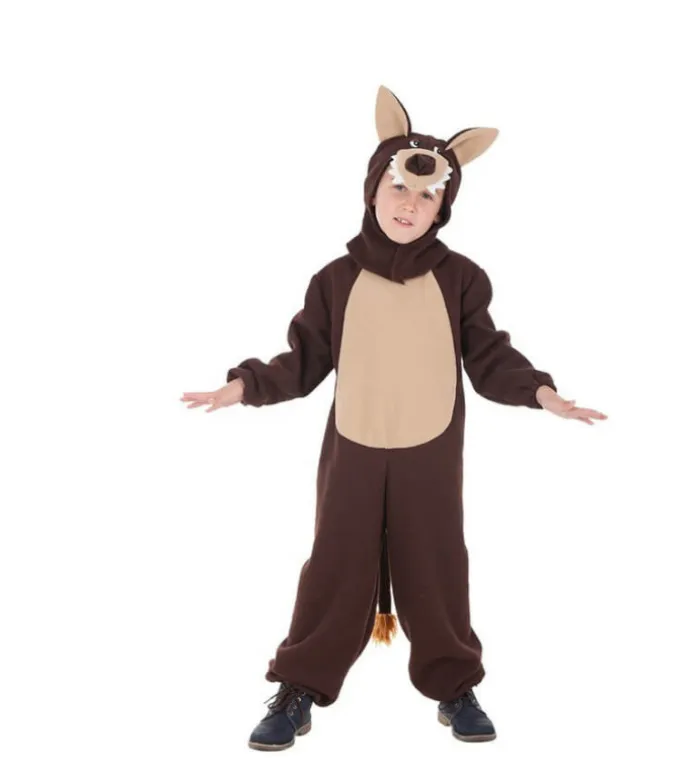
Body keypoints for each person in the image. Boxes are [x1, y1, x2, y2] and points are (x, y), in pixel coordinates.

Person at [181, 85, 608, 751]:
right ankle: (299, 687)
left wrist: (540, 392)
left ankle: (454, 685)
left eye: (427, 196)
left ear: (443, 207)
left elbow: (488, 354)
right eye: (399, 188)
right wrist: (244, 386)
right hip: (354, 447)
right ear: (373, 190)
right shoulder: (335, 279)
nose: (410, 204)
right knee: (334, 562)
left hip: (429, 450)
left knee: (436, 562)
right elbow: (306, 357)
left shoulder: (461, 279)